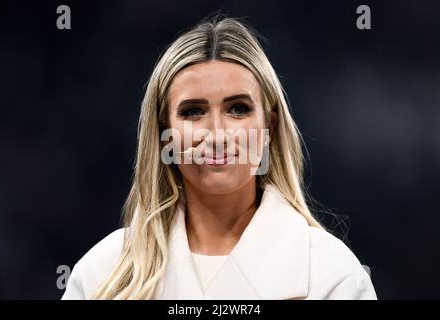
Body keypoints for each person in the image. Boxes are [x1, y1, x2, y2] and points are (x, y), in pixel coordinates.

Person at [62, 15, 377, 300]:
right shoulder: (101, 276)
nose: (216, 133)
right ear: (163, 133)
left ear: (270, 126)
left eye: (237, 108)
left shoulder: (333, 277)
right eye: (193, 112)